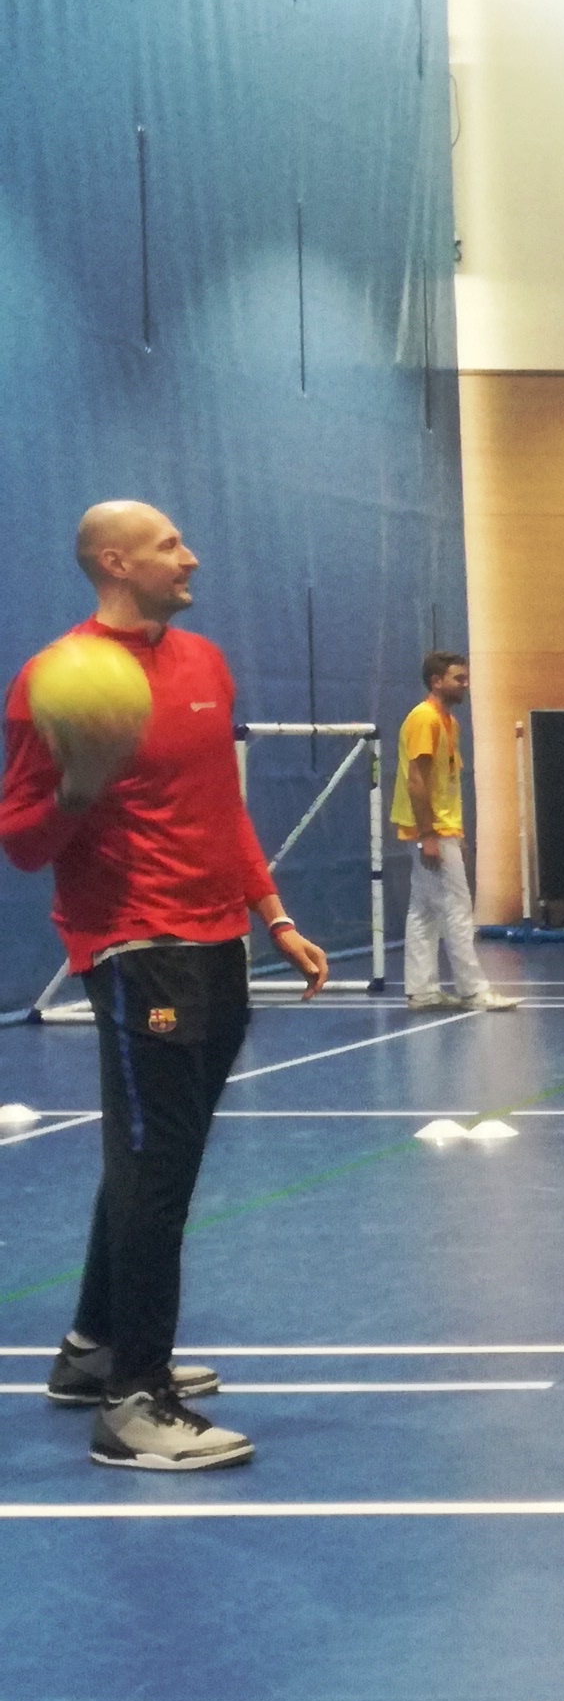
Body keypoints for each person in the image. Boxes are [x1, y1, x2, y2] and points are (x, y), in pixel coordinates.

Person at [2, 501, 331, 1472]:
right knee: (156, 1172)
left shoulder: (205, 665)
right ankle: (133, 1402)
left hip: (219, 939)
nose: (191, 557)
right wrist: (80, 787)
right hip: (136, 945)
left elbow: (221, 806)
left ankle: (91, 1350)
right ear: (115, 562)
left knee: (157, 1160)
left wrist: (274, 912)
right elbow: (22, 842)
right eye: (168, 546)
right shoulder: (56, 683)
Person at [393, 650, 516, 1013]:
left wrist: (456, 833)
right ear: (437, 682)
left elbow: (445, 783)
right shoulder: (424, 719)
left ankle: (422, 991)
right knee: (458, 909)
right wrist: (428, 835)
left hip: (441, 829)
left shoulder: (450, 723)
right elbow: (416, 780)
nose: (465, 684)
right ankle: (473, 990)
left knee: (424, 910)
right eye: (458, 679)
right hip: (430, 831)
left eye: (466, 678)